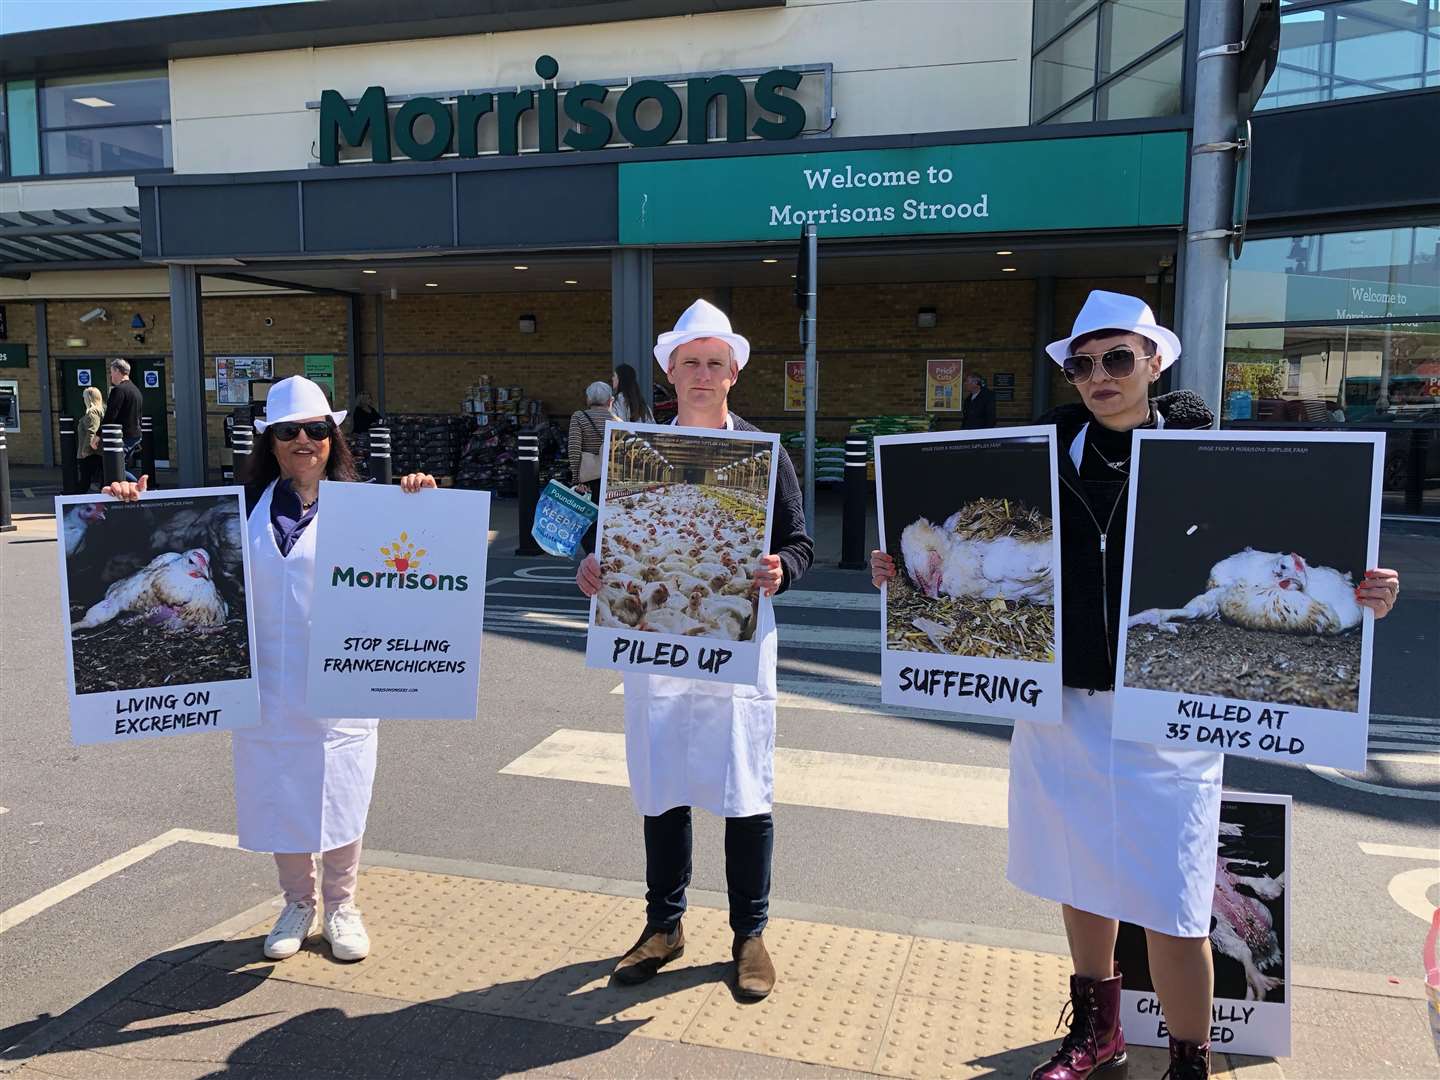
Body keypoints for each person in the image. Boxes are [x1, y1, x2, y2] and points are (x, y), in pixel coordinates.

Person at [869, 291, 1401, 1080]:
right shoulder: (1043, 451)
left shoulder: (1208, 458)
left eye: (1118, 357)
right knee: (1077, 875)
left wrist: (1360, 594)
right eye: (1082, 363)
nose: (1098, 375)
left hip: (1164, 717)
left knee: (1174, 897)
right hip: (1062, 700)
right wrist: (900, 574)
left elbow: (1293, 548)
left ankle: (1189, 1059)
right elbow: (976, 554)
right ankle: (1098, 1037)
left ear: (1155, 362)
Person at [102, 376, 438, 965]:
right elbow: (164, 530)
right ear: (272, 442)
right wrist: (128, 502)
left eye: (315, 430)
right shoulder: (236, 512)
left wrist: (420, 495)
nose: (303, 441)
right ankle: (296, 901)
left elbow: (421, 563)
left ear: (332, 439)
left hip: (342, 678)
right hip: (267, 684)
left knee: (342, 788)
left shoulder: (372, 509)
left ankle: (341, 906)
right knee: (279, 790)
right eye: (289, 432)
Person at [575, 298, 813, 1000]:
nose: (703, 373)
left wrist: (782, 570)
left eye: (716, 362)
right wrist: (587, 570)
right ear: (671, 375)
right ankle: (665, 925)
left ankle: (749, 934)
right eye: (690, 363)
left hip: (735, 643)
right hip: (656, 646)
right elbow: (604, 544)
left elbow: (800, 542)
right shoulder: (636, 455)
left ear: (733, 373)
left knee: (744, 785)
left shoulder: (765, 454)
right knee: (662, 780)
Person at [568, 380, 617, 552]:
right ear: (610, 401)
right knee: (606, 523)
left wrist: (575, 478)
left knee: (586, 521)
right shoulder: (617, 421)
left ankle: (592, 556)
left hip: (587, 480)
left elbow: (574, 448)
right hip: (610, 481)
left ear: (588, 400)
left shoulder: (579, 417)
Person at [101, 359, 145, 481]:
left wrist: (98, 435)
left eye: (111, 372)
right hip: (135, 435)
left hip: (123, 436)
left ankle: (139, 489)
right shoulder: (136, 390)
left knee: (115, 467)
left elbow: (110, 415)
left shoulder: (118, 390)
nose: (111, 376)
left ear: (117, 371)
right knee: (120, 466)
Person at [77, 386, 105, 490]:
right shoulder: (101, 410)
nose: (83, 399)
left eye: (84, 397)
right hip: (96, 452)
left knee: (84, 481)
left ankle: (75, 502)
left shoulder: (92, 412)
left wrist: (85, 451)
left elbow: (91, 432)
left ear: (88, 398)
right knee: (100, 480)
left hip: (90, 453)